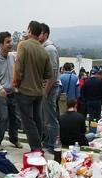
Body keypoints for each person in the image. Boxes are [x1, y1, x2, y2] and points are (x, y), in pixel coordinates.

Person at [13, 21, 53, 152]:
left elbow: (18, 69)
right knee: (37, 119)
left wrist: (16, 85)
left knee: (28, 122)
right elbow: (49, 75)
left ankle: (36, 149)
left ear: (29, 30)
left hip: (25, 91)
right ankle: (39, 144)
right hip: (38, 92)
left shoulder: (23, 45)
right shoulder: (44, 50)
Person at [39, 23, 61, 153]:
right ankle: (47, 142)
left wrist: (45, 92)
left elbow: (51, 74)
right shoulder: (44, 48)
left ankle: (54, 145)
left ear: (45, 34)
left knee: (51, 118)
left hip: (50, 88)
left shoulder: (50, 49)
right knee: (46, 117)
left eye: (39, 33)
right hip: (47, 87)